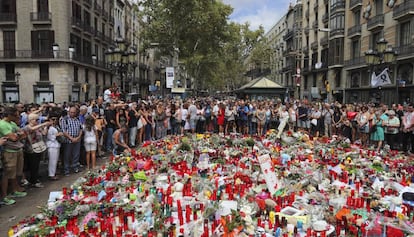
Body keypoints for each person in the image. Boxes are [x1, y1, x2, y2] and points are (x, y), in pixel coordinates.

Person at [0, 107, 27, 205]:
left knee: (16, 172)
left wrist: (16, 135)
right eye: (15, 115)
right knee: (8, 173)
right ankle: (7, 194)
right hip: (9, 151)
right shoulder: (2, 124)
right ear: (9, 115)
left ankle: (15, 189)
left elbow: (23, 134)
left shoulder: (12, 123)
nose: (17, 117)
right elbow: (14, 137)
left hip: (18, 149)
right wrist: (16, 135)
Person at [60, 106, 83, 176]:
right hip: (68, 140)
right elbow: (64, 131)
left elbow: (81, 129)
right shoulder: (65, 119)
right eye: (71, 112)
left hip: (77, 139)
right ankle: (66, 170)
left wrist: (78, 137)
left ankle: (75, 167)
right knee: (67, 155)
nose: (72, 114)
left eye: (74, 112)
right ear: (68, 112)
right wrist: (71, 138)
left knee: (76, 154)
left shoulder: (78, 119)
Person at [46, 116, 63, 180]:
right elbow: (49, 137)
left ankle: (54, 172)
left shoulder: (56, 126)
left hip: (56, 144)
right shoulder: (48, 128)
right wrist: (57, 135)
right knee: (52, 161)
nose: (54, 121)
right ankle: (51, 175)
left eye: (56, 119)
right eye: (53, 119)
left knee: (55, 160)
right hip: (52, 145)